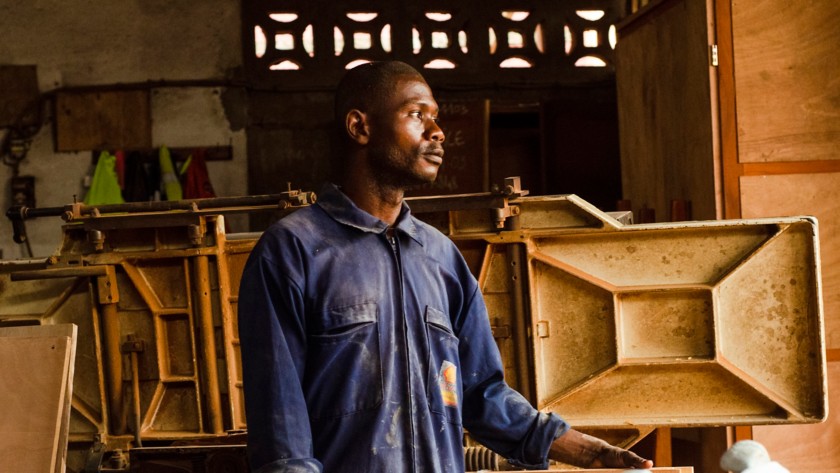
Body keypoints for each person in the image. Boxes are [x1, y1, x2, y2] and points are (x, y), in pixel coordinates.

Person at [237, 60, 654, 473]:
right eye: (417, 115)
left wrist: (589, 452)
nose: (437, 133)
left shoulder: (441, 259)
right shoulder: (293, 250)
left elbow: (481, 395)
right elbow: (282, 431)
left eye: (435, 118)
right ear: (359, 127)